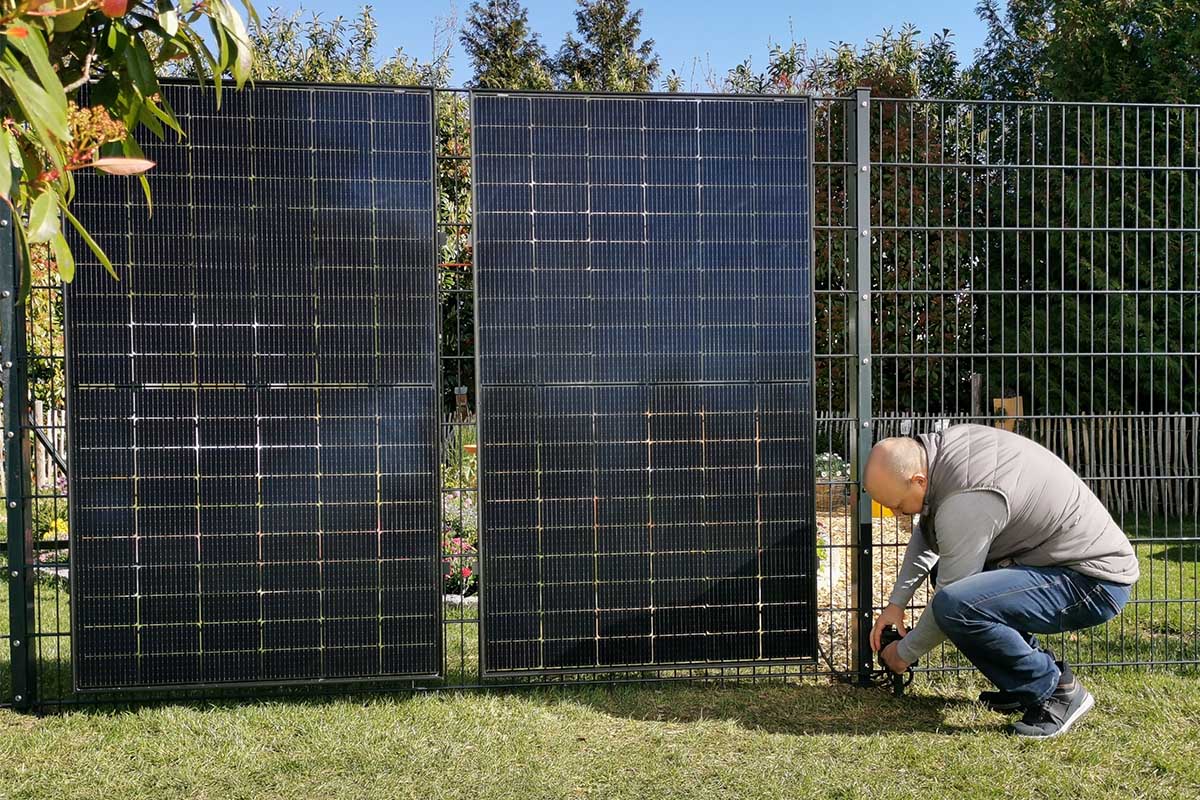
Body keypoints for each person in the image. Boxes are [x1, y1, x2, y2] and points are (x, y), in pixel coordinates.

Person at [865, 423, 1139, 739]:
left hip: (1092, 583)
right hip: (1062, 568)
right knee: (955, 591)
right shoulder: (943, 454)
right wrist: (896, 605)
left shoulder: (967, 496)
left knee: (957, 605)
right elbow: (928, 533)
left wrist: (902, 655)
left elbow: (950, 597)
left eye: (899, 505)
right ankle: (1021, 683)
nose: (899, 514)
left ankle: (1055, 692)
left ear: (918, 480)